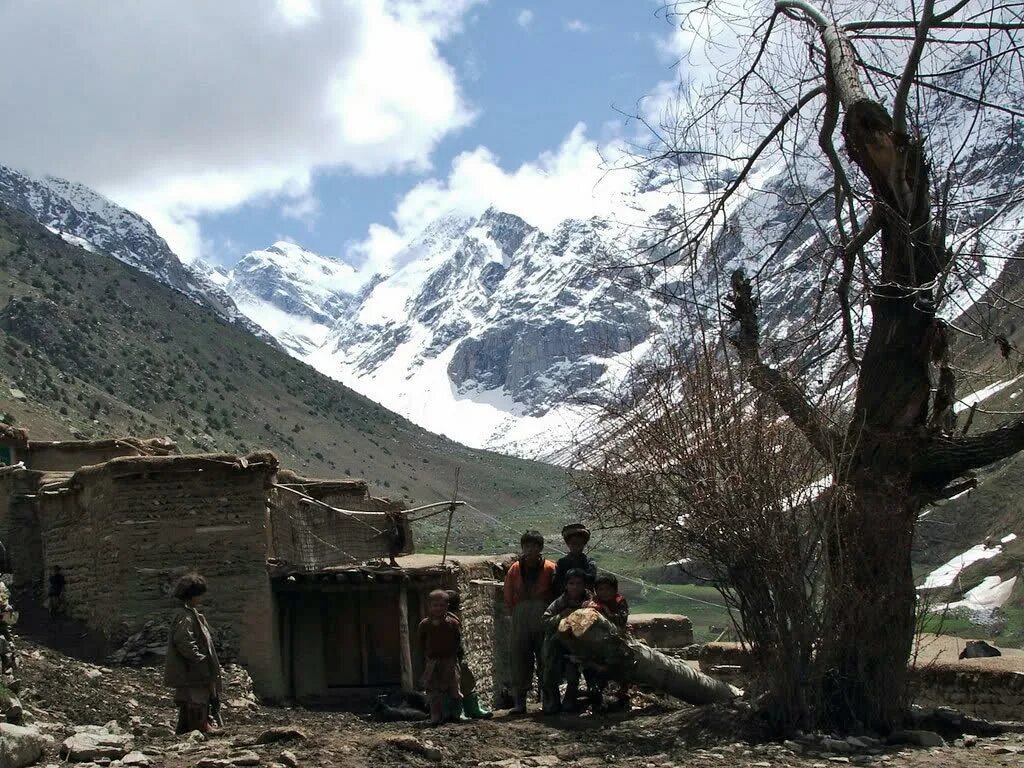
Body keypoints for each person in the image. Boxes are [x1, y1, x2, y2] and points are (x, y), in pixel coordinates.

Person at [503, 530, 556, 714]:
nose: (530, 549)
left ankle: (549, 699)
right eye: (526, 546)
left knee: (546, 657)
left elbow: (556, 592)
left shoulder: (550, 568)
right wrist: (515, 612)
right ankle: (520, 702)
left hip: (544, 614)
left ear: (540, 548)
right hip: (521, 615)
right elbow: (508, 594)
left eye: (534, 546)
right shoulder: (515, 569)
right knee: (519, 657)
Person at [163, 573, 222, 735]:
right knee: (197, 696)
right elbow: (184, 640)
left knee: (192, 696)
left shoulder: (191, 614)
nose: (201, 598)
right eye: (199, 594)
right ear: (192, 595)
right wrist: (198, 658)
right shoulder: (185, 616)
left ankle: (185, 728)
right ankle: (201, 726)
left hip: (194, 665)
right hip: (192, 667)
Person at [541, 568, 592, 714]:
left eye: (578, 583)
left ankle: (573, 700)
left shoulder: (591, 603)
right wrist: (560, 617)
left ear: (584, 585)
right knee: (550, 672)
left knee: (574, 674)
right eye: (571, 583)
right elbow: (545, 621)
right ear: (566, 585)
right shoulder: (560, 603)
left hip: (583, 645)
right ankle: (553, 701)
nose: (575, 587)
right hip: (559, 645)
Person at [418, 589, 468, 725]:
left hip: (449, 660)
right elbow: (421, 642)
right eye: (435, 605)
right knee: (433, 689)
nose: (438, 608)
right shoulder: (424, 625)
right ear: (429, 606)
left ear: (447, 606)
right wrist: (426, 658)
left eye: (441, 605)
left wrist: (456, 657)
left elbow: (458, 641)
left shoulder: (452, 623)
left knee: (453, 687)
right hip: (432, 661)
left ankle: (457, 713)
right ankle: (435, 716)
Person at [586, 573, 631, 711]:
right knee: (594, 670)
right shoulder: (592, 603)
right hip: (596, 644)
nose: (604, 593)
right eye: (601, 589)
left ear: (614, 590)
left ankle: (621, 697)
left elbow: (622, 620)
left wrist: (607, 613)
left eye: (608, 589)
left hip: (617, 641)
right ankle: (596, 698)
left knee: (618, 670)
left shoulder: (620, 601)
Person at [445, 589, 491, 719]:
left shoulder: (452, 619)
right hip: (449, 657)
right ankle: (459, 711)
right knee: (454, 684)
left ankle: (472, 709)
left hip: (458, 656)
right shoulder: (446, 620)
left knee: (467, 680)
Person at [552, 523, 597, 596]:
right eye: (574, 544)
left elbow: (591, 581)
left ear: (584, 544)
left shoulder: (590, 563)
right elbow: (557, 585)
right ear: (568, 544)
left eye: (580, 544)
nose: (577, 547)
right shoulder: (561, 563)